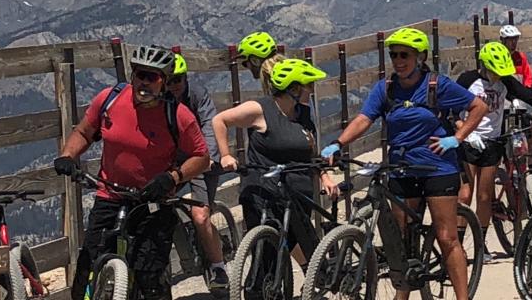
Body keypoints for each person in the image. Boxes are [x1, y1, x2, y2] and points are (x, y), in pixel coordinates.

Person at [323, 28, 488, 300]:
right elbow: (364, 119)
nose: (398, 61)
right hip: (400, 168)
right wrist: (338, 143)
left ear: (420, 57)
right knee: (401, 244)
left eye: (405, 55)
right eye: (394, 55)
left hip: (437, 168)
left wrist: (457, 139)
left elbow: (479, 107)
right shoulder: (385, 88)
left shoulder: (437, 84)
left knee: (446, 237)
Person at [54, 45, 211, 300]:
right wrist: (67, 156)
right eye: (140, 75)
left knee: (150, 277)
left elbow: (201, 157)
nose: (144, 83)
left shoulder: (178, 115)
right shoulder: (110, 98)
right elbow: (84, 131)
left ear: (164, 81)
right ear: (132, 75)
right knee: (86, 268)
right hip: (110, 194)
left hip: (153, 201)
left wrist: (172, 177)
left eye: (153, 77)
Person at [210, 59, 340, 291]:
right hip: (263, 192)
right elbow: (220, 120)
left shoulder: (303, 114)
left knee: (293, 245)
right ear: (294, 88)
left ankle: (308, 281)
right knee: (266, 260)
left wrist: (325, 176)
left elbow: (311, 152)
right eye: (308, 85)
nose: (311, 90)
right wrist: (225, 155)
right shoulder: (261, 109)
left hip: (296, 195)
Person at [453, 41, 532, 259]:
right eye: (495, 72)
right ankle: (458, 245)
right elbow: (451, 110)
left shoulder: (505, 82)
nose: (498, 77)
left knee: (484, 196)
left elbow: (528, 95)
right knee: (465, 194)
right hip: (469, 141)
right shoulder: (468, 80)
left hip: (492, 142)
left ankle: (481, 246)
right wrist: (464, 131)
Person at [163, 53, 230, 290]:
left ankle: (218, 267)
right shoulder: (158, 100)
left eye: (177, 80)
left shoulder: (198, 95)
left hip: (199, 161)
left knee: (201, 217)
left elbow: (210, 127)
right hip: (172, 164)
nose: (173, 86)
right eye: (168, 81)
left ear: (185, 79)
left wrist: (210, 158)